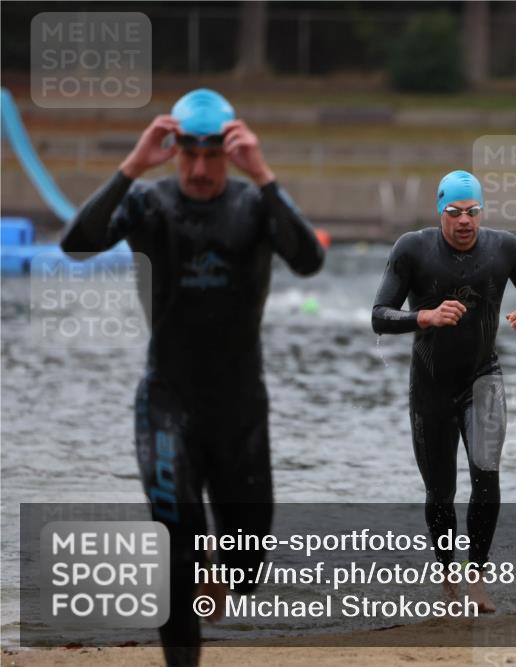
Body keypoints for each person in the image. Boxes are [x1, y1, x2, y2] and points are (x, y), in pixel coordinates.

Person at [60, 89, 325, 666]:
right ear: (174, 148)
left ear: (229, 152)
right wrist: (132, 166)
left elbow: (308, 259)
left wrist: (264, 175)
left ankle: (221, 576)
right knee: (176, 545)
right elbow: (76, 244)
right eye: (189, 154)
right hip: (167, 400)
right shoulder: (148, 204)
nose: (200, 169)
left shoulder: (253, 207)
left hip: (239, 408)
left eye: (213, 155)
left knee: (247, 565)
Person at [371, 170, 516, 613]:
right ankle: (448, 583)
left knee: (486, 474)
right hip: (430, 386)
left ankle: (476, 579)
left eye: (472, 212)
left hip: (483, 378)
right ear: (440, 213)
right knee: (439, 491)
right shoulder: (412, 249)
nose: (464, 222)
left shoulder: (505, 248)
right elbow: (379, 315)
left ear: (482, 212)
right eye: (454, 213)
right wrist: (425, 317)